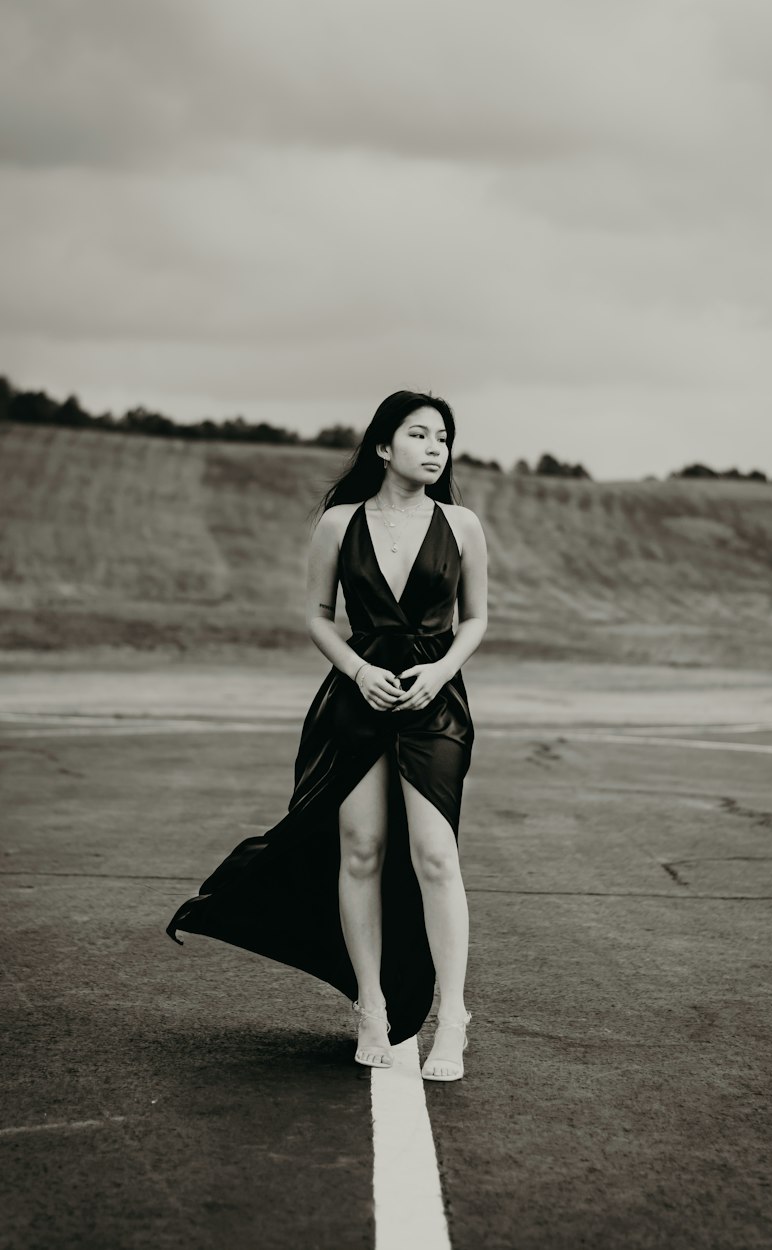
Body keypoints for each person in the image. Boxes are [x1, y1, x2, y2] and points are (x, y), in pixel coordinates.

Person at [166, 390, 488, 1081]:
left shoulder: (462, 525)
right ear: (382, 446)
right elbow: (317, 616)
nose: (436, 448)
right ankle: (370, 1006)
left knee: (436, 855)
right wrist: (358, 668)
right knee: (362, 851)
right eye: (421, 435)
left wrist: (440, 673)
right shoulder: (340, 524)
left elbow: (475, 621)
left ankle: (453, 1017)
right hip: (356, 701)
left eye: (444, 439)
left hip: (435, 703)